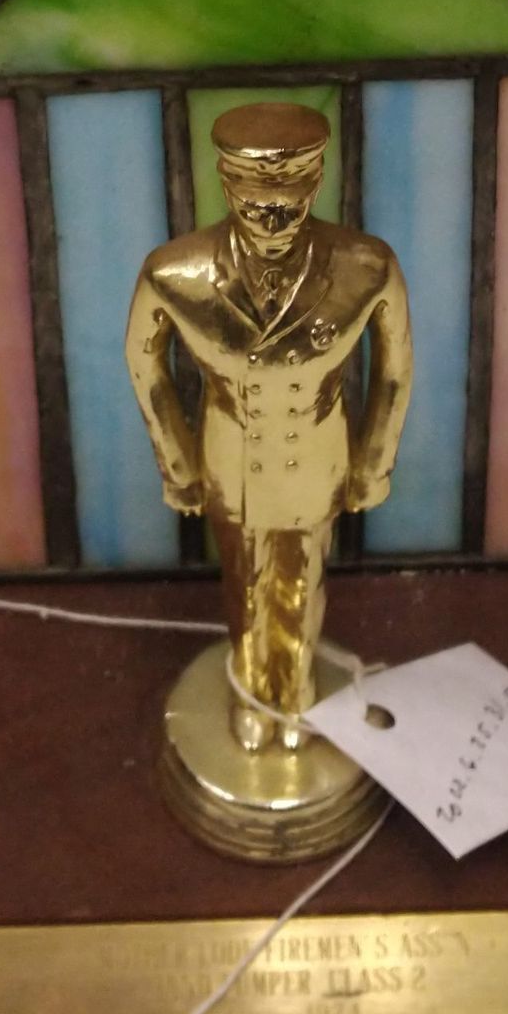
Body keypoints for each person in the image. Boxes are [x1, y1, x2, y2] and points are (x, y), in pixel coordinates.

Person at [124, 101, 411, 751]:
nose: (274, 224)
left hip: (317, 451)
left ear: (316, 185)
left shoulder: (366, 265)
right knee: (244, 578)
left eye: (290, 207)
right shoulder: (176, 272)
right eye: (257, 209)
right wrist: (179, 465)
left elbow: (395, 369)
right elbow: (144, 361)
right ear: (229, 192)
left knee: (305, 576)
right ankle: (255, 687)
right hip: (232, 455)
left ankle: (297, 686)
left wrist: (373, 464)